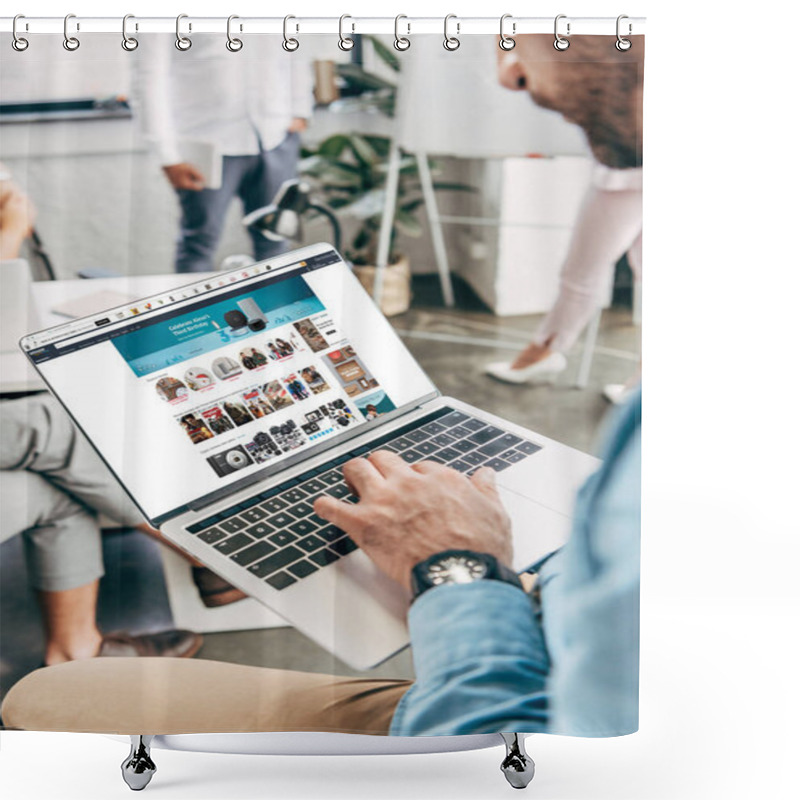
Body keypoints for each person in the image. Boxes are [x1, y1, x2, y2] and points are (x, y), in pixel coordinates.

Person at [2, 34, 642, 738]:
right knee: (55, 473)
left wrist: (457, 567)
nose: (508, 71)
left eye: (530, 27)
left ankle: (190, 527)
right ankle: (168, 551)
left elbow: (491, 744)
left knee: (42, 698)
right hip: (550, 632)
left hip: (493, 709)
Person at [484, 37, 643, 396]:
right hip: (631, 159)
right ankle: (638, 386)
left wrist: (503, 38)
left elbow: (514, 76)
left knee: (582, 271)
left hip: (628, 166)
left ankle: (544, 351)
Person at [131, 35, 314, 273]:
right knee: (199, 244)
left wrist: (300, 109)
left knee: (276, 240)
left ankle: (278, 309)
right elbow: (148, 75)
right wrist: (167, 156)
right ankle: (196, 311)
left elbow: (293, 51)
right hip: (206, 142)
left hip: (275, 136)